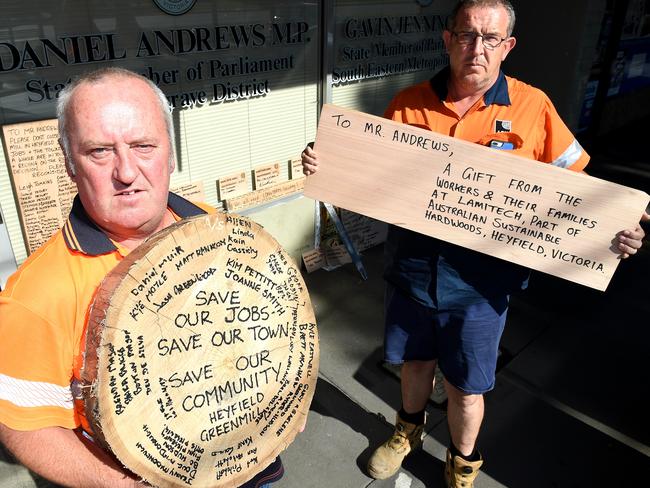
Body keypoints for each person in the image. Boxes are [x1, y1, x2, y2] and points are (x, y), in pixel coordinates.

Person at [302, 1, 649, 486]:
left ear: (508, 47)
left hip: (481, 287)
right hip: (413, 271)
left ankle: (462, 463)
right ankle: (407, 432)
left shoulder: (535, 108)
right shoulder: (407, 103)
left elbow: (581, 188)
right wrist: (329, 166)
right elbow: (366, 175)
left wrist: (620, 223)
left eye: (490, 38)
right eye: (466, 35)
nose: (476, 48)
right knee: (414, 363)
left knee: (467, 387)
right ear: (448, 40)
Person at [0, 68, 283, 488]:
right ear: (69, 165)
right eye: (99, 151)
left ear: (171, 153)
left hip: (251, 462)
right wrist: (122, 484)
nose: (127, 172)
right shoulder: (38, 294)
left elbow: (271, 325)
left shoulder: (214, 227)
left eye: (143, 145)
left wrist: (284, 400)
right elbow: (22, 423)